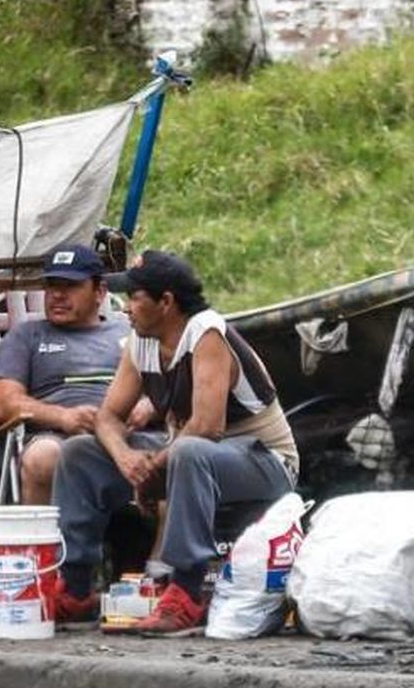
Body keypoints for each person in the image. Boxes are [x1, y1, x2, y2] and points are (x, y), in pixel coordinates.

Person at [51, 250, 299, 634]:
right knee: (79, 452)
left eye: (135, 297)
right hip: (190, 459)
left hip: (265, 463)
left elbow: (207, 427)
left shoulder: (207, 334)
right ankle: (76, 585)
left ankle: (187, 591)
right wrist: (126, 458)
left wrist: (153, 464)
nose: (126, 307)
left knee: (189, 449)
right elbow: (108, 417)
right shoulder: (141, 340)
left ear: (166, 302)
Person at [0, 244, 132, 504]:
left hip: (128, 431)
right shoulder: (26, 336)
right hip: (57, 436)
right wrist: (63, 417)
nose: (58, 295)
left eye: (71, 286)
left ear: (100, 292)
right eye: (52, 285)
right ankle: (45, 543)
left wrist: (146, 407)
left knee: (178, 457)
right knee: (42, 458)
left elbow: (166, 386)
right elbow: (5, 404)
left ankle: (170, 545)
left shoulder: (128, 332)